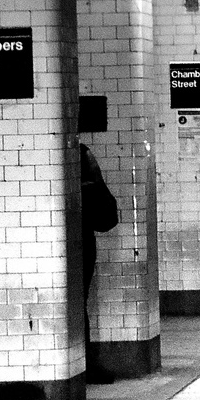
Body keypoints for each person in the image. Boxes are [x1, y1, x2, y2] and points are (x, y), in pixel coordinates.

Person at [78, 143, 119, 384]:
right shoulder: (81, 153)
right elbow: (107, 212)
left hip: (78, 240)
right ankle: (85, 364)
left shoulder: (79, 152)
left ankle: (82, 363)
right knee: (79, 302)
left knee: (78, 303)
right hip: (81, 240)